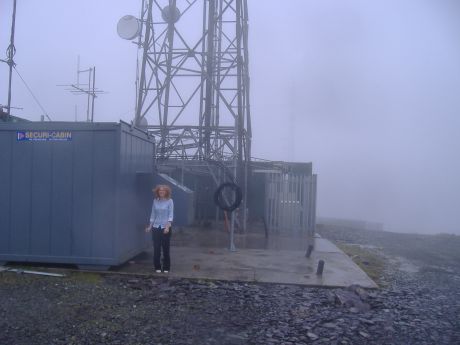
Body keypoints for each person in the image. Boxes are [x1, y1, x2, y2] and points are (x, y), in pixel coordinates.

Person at [145, 184, 174, 273]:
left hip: (166, 228)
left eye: (163, 190)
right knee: (156, 248)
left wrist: (167, 227)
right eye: (160, 190)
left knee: (165, 248)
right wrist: (150, 226)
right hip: (156, 227)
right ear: (158, 192)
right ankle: (157, 266)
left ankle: (166, 267)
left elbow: (170, 215)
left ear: (166, 192)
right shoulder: (155, 201)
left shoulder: (170, 201)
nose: (161, 192)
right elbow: (153, 214)